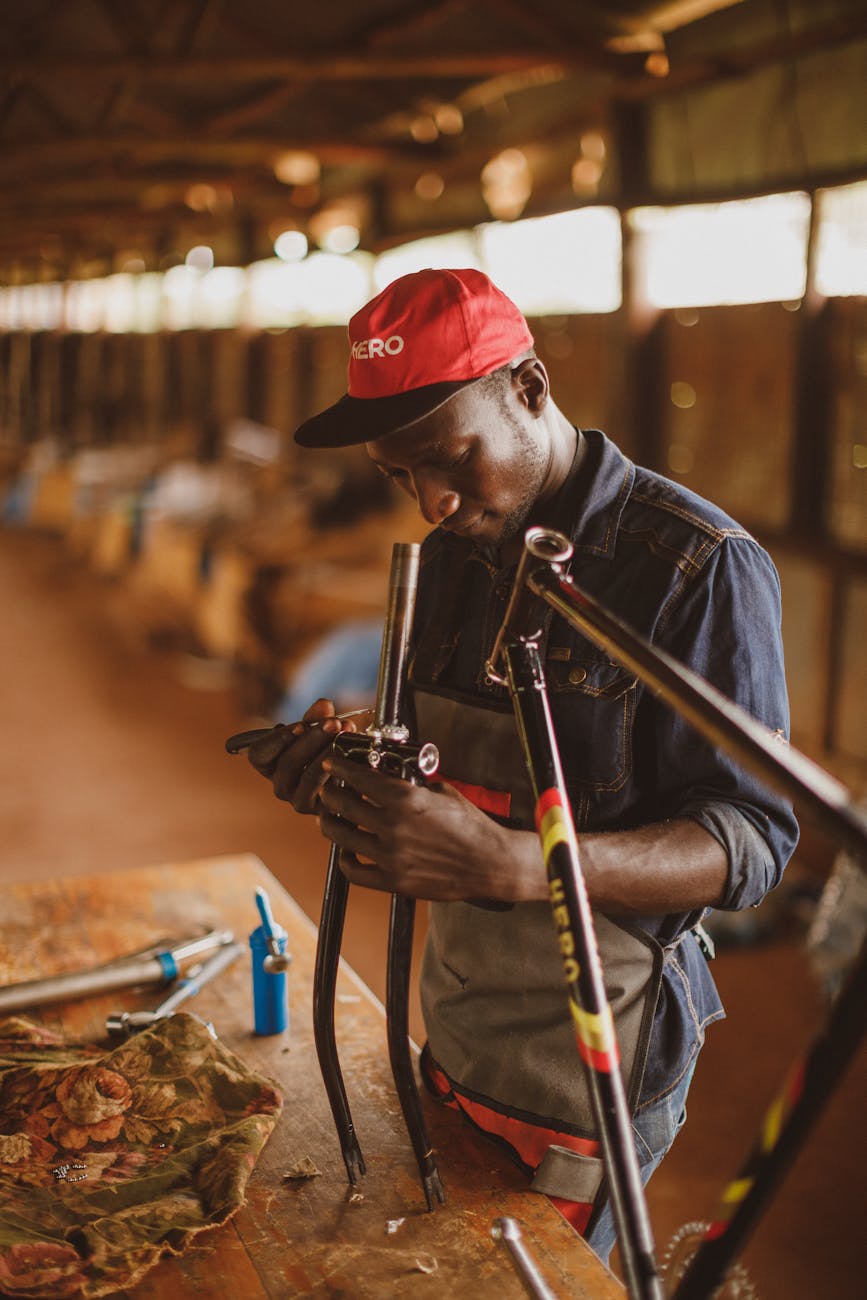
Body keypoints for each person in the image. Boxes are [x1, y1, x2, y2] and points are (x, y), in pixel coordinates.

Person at [246, 267, 799, 1261]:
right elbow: (439, 738)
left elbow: (753, 843)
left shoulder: (694, 567)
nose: (431, 499)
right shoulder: (458, 552)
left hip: (596, 1057)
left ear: (530, 389)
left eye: (449, 458)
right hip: (459, 1023)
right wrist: (354, 755)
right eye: (398, 475)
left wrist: (517, 865)